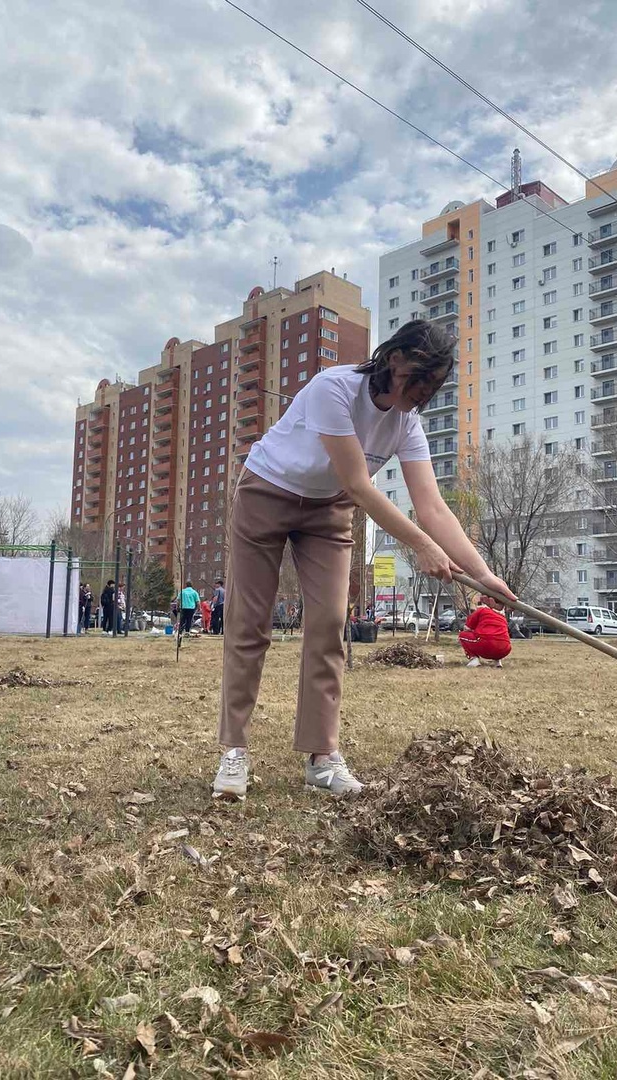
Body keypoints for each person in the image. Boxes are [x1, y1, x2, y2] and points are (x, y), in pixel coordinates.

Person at [212, 320, 514, 802]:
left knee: (330, 624)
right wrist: (419, 544)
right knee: (249, 625)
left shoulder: (406, 425)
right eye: (419, 378)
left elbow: (432, 506)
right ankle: (234, 749)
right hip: (267, 491)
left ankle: (321, 757)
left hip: (329, 510)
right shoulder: (333, 388)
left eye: (434, 385)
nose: (423, 392)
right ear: (394, 360)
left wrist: (481, 574)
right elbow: (358, 483)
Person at [457, 595, 512, 668]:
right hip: (505, 649)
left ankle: (474, 660)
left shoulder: (482, 610)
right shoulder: (502, 617)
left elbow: (467, 628)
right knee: (498, 638)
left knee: (462, 635)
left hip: (486, 645)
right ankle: (498, 662)